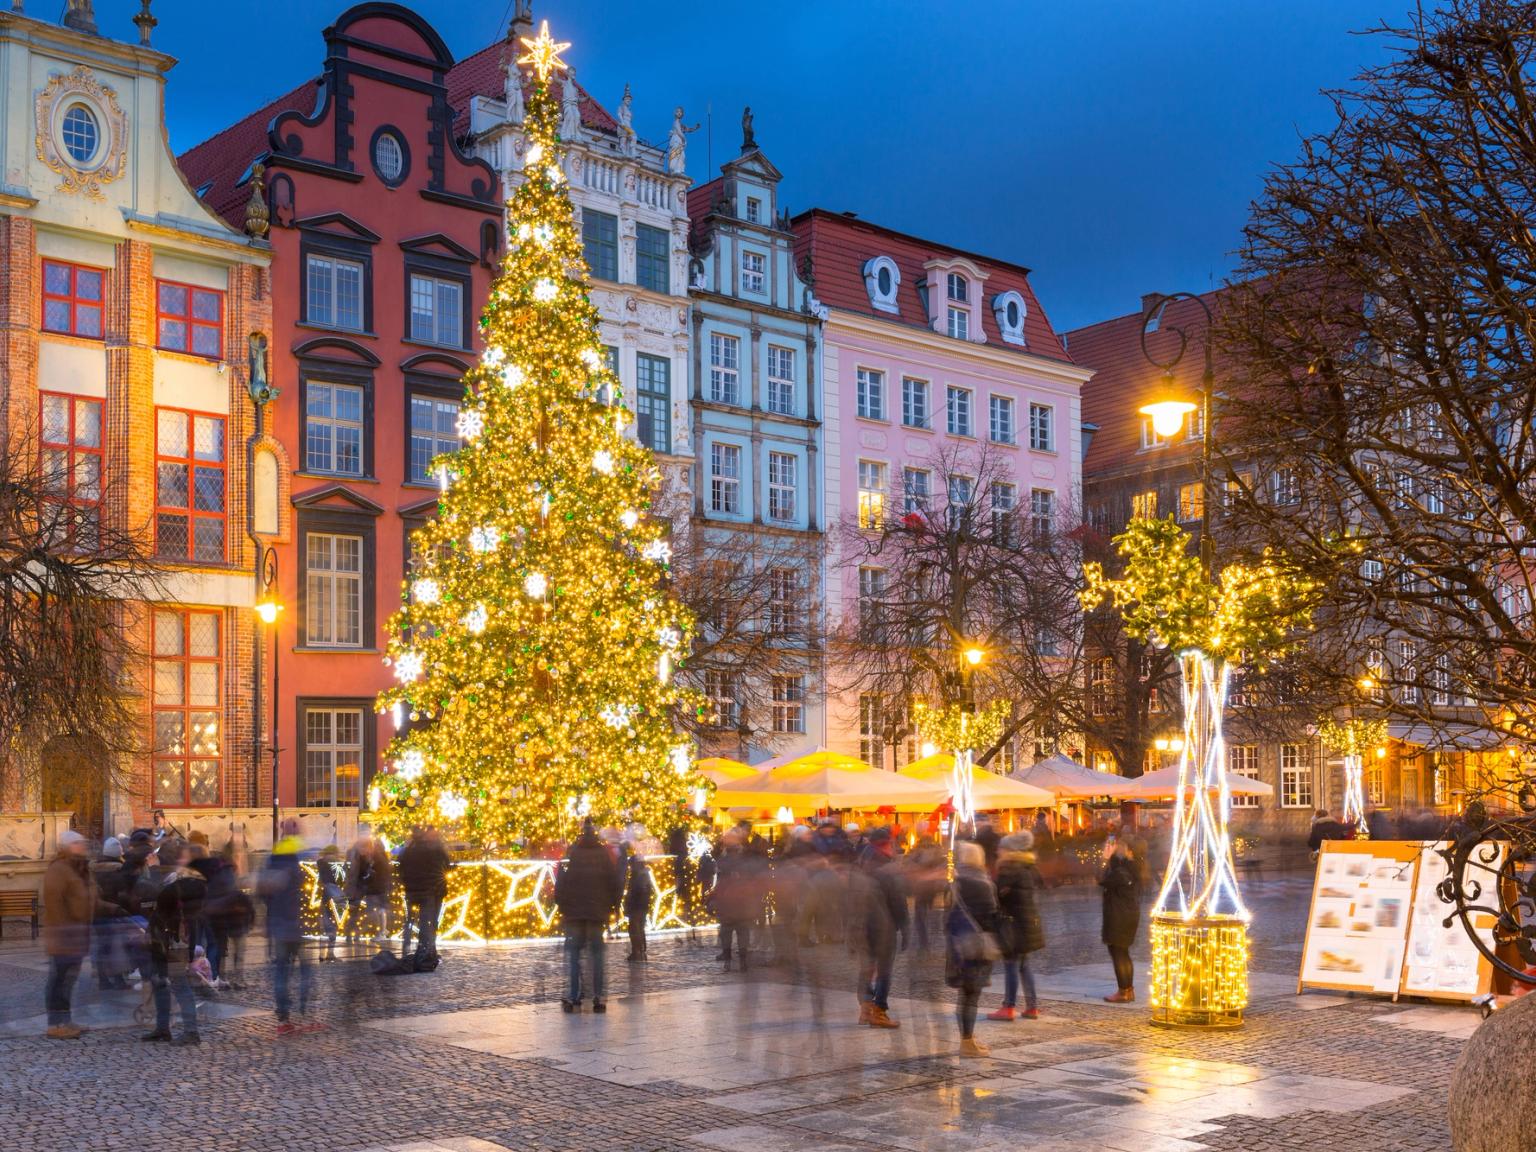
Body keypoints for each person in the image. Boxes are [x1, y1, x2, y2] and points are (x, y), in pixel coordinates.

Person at [43, 829, 122, 1038]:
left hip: (78, 935)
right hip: (64, 936)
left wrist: (114, 908)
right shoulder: (59, 869)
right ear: (67, 846)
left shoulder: (81, 869)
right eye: (79, 843)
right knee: (59, 980)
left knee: (68, 981)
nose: (83, 846)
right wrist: (64, 931)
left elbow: (90, 900)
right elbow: (54, 903)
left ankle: (65, 1021)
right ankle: (55, 1025)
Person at [142, 838, 207, 1046]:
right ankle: (163, 1028)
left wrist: (153, 871)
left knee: (179, 985)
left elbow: (158, 896)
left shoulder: (179, 879)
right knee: (159, 981)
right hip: (169, 936)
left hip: (174, 939)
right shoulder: (186, 877)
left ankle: (191, 1031)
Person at [554, 819, 621, 1012]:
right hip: (597, 913)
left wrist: (563, 906)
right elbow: (613, 882)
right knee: (597, 955)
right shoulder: (603, 854)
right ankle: (598, 997)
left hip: (574, 913)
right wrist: (613, 906)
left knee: (574, 955)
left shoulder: (572, 853)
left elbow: (562, 883)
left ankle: (573, 995)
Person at [946, 840, 1000, 1057]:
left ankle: (967, 1037)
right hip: (976, 945)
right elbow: (991, 915)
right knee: (971, 994)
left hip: (958, 944)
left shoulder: (955, 881)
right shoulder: (982, 883)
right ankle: (966, 1042)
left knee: (965, 993)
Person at [260, 819, 315, 1034]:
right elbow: (304, 897)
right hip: (297, 926)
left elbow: (264, 894)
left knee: (282, 971)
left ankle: (283, 1014)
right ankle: (303, 1009)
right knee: (305, 970)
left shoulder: (271, 865)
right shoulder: (297, 868)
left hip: (279, 925)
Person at [990, 831, 1045, 1021]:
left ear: (1010, 850)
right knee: (1024, 965)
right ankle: (1032, 1006)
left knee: (1012, 964)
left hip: (1014, 926)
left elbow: (995, 894)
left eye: (1001, 848)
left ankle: (1008, 1006)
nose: (998, 851)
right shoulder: (1027, 867)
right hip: (1027, 922)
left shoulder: (1010, 870)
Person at [855, 827, 907, 1028]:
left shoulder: (859, 862)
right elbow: (898, 900)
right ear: (885, 844)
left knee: (866, 967)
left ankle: (865, 1009)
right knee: (884, 969)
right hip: (883, 926)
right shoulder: (887, 868)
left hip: (860, 925)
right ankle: (879, 1010)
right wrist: (904, 925)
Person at [399, 826, 453, 970]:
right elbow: (446, 866)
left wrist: (406, 883)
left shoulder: (409, 849)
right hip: (429, 891)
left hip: (411, 891)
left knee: (410, 923)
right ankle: (426, 955)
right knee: (428, 924)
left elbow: (400, 867)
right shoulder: (433, 849)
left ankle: (407, 952)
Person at [709, 829, 763, 971]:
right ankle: (742, 961)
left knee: (728, 932)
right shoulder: (744, 859)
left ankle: (728, 960)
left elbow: (719, 881)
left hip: (728, 901)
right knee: (742, 932)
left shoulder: (723, 861)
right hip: (741, 901)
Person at [1100, 834, 1140, 1003]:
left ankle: (1124, 991)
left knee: (1118, 953)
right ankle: (1128, 990)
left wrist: (1104, 860)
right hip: (1128, 913)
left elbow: (1101, 879)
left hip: (1119, 915)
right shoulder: (1131, 868)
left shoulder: (1120, 872)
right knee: (1122, 952)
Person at [620, 843, 654, 962]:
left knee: (635, 929)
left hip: (637, 906)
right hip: (640, 906)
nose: (630, 867)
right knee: (638, 928)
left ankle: (637, 951)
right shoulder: (641, 874)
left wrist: (629, 902)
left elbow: (636, 891)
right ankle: (639, 950)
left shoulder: (639, 875)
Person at [318, 845, 346, 962]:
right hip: (334, 898)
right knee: (332, 927)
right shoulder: (336, 864)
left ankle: (322, 954)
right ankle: (330, 954)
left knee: (324, 928)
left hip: (324, 898)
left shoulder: (320, 863)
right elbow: (342, 879)